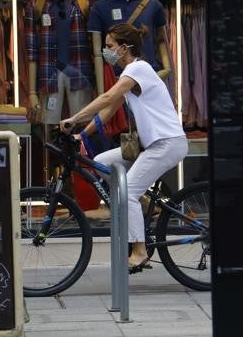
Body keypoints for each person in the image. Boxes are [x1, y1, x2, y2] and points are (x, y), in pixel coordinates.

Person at [60, 23, 187, 272]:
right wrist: (81, 135)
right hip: (149, 145)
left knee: (126, 192)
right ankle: (135, 206)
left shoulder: (138, 68)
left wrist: (74, 118)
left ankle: (139, 251)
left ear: (124, 47)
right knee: (103, 162)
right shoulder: (130, 73)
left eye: (109, 46)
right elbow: (110, 110)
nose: (105, 51)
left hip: (166, 143)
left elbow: (107, 97)